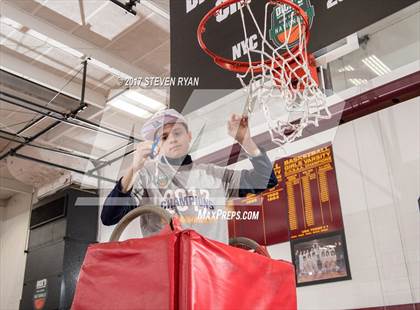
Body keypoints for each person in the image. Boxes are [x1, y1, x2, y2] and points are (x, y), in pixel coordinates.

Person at [101, 109, 277, 243]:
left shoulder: (215, 175)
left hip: (210, 271)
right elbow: (109, 217)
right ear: (157, 146)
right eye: (163, 137)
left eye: (177, 133)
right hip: (165, 271)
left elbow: (266, 180)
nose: (172, 139)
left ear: (189, 136)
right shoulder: (146, 176)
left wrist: (245, 141)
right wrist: (134, 168)